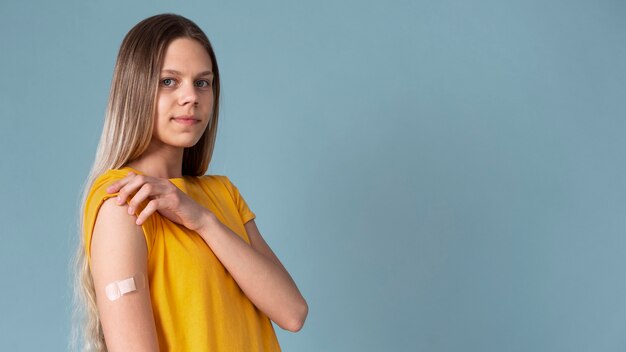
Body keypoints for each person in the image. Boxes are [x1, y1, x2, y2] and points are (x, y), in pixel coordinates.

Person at [72, 13, 308, 351]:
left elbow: (293, 312)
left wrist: (201, 220)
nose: (191, 97)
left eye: (203, 82)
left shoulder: (221, 194)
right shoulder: (124, 202)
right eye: (169, 81)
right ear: (135, 88)